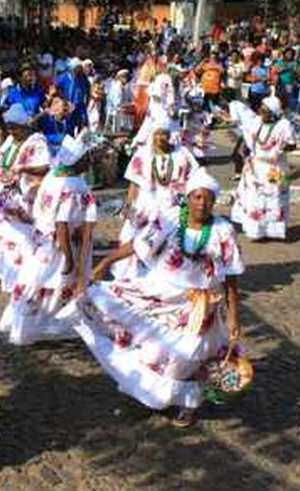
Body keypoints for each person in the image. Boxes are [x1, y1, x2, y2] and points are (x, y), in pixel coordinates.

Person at [63, 169, 244, 428]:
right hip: (161, 293)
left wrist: (234, 315)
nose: (202, 204)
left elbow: (231, 278)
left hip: (199, 305)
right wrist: (105, 262)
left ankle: (188, 404)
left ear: (214, 202)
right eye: (197, 197)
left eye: (208, 199)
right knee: (151, 345)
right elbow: (138, 244)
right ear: (188, 198)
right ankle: (151, 387)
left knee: (190, 356)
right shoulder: (170, 220)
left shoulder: (223, 232)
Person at [0, 133, 97, 345]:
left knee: (36, 280)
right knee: (58, 282)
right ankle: (53, 328)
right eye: (87, 159)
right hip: (62, 245)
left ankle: (27, 325)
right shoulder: (74, 186)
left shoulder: (53, 176)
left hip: (42, 242)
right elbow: (62, 223)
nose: (89, 163)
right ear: (78, 161)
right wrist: (70, 257)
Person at [0, 104, 51, 291]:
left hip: (24, 196)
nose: (10, 131)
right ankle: (1, 269)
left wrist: (24, 169)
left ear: (25, 127)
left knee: (20, 235)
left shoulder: (37, 142)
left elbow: (45, 167)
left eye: (14, 127)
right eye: (9, 127)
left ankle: (20, 274)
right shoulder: (11, 140)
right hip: (5, 191)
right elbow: (0, 161)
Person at [118, 125, 200, 275]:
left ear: (170, 135)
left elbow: (195, 178)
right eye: (157, 134)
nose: (161, 138)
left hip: (174, 206)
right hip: (146, 205)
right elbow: (134, 183)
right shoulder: (142, 154)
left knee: (172, 243)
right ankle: (138, 274)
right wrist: (129, 206)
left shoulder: (182, 153)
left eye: (164, 134)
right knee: (140, 240)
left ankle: (167, 274)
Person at [231, 96, 293, 240]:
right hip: (256, 167)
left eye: (264, 111)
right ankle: (256, 231)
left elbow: (292, 143)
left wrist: (285, 146)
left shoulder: (283, 125)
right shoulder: (257, 122)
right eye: (260, 110)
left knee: (273, 198)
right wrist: (243, 150)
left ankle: (272, 231)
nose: (260, 113)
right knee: (255, 198)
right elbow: (248, 138)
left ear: (272, 113)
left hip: (274, 168)